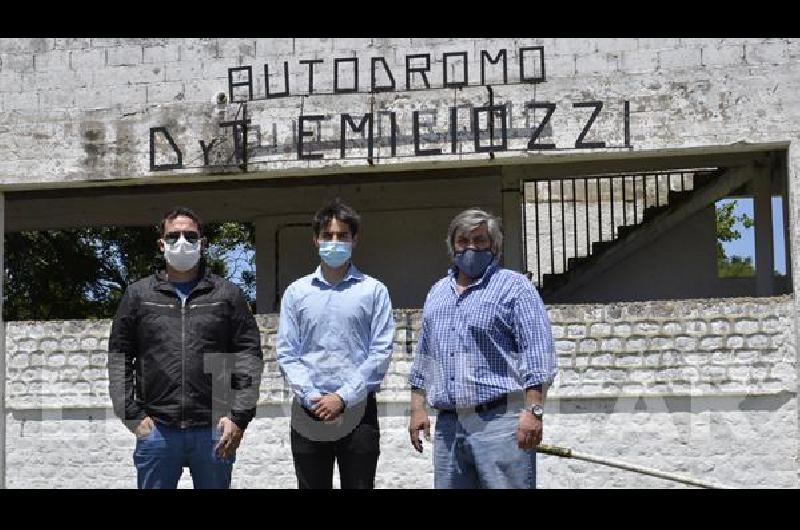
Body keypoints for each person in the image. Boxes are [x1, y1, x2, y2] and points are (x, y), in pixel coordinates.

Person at [108, 206, 264, 489]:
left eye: (190, 236)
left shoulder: (227, 295)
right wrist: (132, 415)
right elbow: (119, 356)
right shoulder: (138, 295)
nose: (182, 242)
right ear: (161, 244)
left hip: (215, 429)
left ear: (203, 244)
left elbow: (248, 356)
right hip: (157, 430)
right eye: (173, 236)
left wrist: (238, 418)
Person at [407, 208, 557, 489]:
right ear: (453, 245)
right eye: (463, 241)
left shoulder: (515, 288)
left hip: (500, 423)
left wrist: (534, 412)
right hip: (449, 427)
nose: (471, 248)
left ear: (494, 246)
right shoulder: (438, 292)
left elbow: (537, 353)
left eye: (480, 241)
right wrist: (417, 408)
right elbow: (425, 355)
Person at [276, 198, 395, 489]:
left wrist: (341, 398)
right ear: (315, 240)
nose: (334, 241)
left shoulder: (374, 290)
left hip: (358, 410)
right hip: (308, 410)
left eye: (342, 235)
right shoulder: (296, 292)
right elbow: (287, 352)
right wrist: (313, 399)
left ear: (355, 239)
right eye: (327, 235)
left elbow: (381, 351)